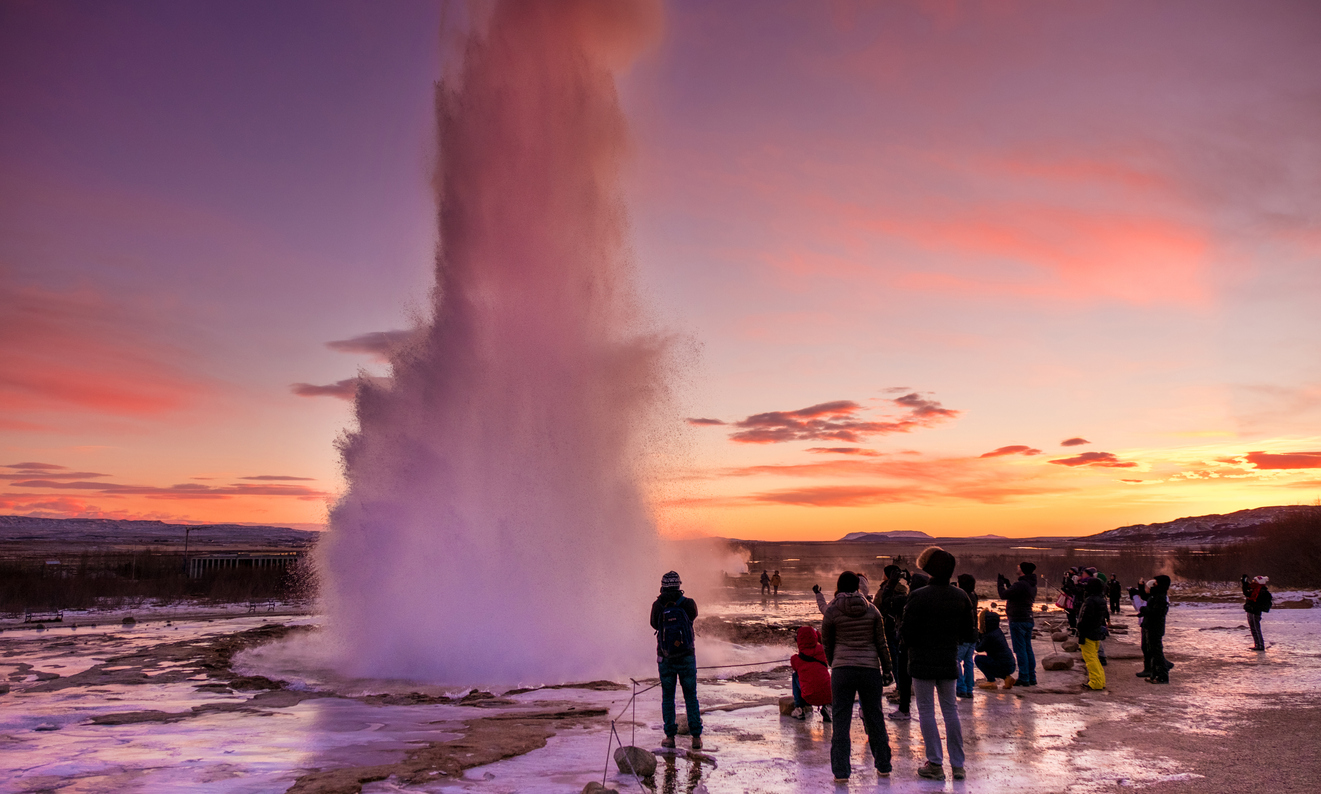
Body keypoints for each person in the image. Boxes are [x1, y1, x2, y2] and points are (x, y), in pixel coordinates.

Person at [902, 547, 974, 781]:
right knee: (950, 710)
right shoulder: (960, 596)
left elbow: (907, 632)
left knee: (926, 711)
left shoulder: (919, 595)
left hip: (922, 660)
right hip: (948, 658)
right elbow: (967, 632)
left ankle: (935, 763)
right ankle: (958, 764)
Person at [822, 570, 894, 781]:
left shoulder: (832, 611)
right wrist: (887, 669)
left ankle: (841, 772)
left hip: (842, 670)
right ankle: (883, 765)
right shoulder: (872, 610)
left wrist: (833, 662)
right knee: (875, 718)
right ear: (858, 587)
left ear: (839, 586)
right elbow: (882, 644)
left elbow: (827, 642)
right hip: (870, 669)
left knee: (841, 720)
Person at [650, 571, 703, 749]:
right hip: (687, 656)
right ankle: (696, 738)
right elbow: (693, 617)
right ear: (679, 585)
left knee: (668, 697)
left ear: (663, 585)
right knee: (690, 696)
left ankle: (670, 737)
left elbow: (654, 625)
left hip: (666, 658)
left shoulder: (657, 605)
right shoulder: (688, 604)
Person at [875, 566, 912, 720]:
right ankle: (901, 688)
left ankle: (900, 689)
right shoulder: (904, 589)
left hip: (889, 626)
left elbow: (882, 603)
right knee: (898, 657)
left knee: (895, 658)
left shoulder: (889, 589)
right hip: (898, 627)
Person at [996, 562, 1039, 686]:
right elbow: (1017, 595)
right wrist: (1009, 584)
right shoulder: (1031, 584)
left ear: (1023, 570)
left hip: (1018, 620)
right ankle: (1031, 676)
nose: (1017, 568)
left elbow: (1003, 595)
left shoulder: (1021, 584)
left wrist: (1000, 583)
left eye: (1019, 566)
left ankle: (1024, 677)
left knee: (1020, 650)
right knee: (1027, 648)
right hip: (1028, 619)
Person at [789, 626, 832, 721]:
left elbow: (797, 668)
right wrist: (818, 634)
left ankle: (799, 708)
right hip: (828, 695)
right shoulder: (822, 651)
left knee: (795, 675)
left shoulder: (795, 659)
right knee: (824, 677)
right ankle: (828, 707)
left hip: (809, 696)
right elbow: (825, 643)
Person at [1076, 579, 1109, 690]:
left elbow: (1085, 618)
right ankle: (1100, 681)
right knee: (1095, 658)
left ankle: (1095, 683)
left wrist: (1080, 630)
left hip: (1088, 633)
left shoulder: (1090, 601)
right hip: (1096, 632)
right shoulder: (1101, 599)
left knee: (1090, 659)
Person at [1139, 575, 1171, 684]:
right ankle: (1154, 674)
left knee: (1157, 653)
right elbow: (1146, 596)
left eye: (1156, 582)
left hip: (1155, 627)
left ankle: (1162, 676)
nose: (1154, 584)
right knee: (1152, 652)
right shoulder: (1156, 594)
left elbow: (1157, 613)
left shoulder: (1161, 597)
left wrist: (1145, 610)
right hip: (1151, 626)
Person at [973, 611, 1015, 686]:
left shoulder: (989, 636)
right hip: (1010, 664)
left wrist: (975, 640)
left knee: (978, 659)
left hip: (1002, 664)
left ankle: (991, 681)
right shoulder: (997, 631)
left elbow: (979, 649)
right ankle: (1007, 678)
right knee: (993, 661)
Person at [955, 573, 979, 698]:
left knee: (957, 661)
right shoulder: (974, 596)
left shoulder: (962, 598)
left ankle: (961, 687)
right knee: (968, 662)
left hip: (964, 635)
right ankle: (969, 688)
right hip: (973, 635)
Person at [1241, 574, 1272, 651]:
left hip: (1255, 612)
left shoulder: (1261, 591)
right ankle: (1257, 644)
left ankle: (1260, 645)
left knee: (1256, 628)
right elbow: (1247, 592)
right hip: (1251, 611)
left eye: (1255, 581)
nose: (1253, 581)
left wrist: (1253, 607)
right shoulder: (1255, 589)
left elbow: (1249, 595)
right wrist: (1244, 583)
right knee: (1253, 628)